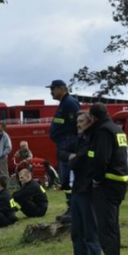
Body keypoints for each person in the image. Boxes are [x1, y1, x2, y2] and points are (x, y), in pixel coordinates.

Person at [88, 103, 128, 255]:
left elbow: (100, 159)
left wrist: (96, 179)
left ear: (94, 118)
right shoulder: (116, 129)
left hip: (106, 185)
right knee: (112, 229)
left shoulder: (103, 131)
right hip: (118, 183)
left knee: (107, 232)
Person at [68, 111, 101, 255]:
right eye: (77, 121)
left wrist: (74, 158)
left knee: (90, 234)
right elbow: (68, 155)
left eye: (81, 121)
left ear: (89, 122)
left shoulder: (91, 141)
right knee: (76, 233)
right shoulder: (79, 140)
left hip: (87, 192)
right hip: (76, 191)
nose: (78, 124)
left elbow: (77, 161)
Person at [48, 79, 80, 223]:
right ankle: (70, 208)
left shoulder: (70, 103)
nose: (51, 92)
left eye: (53, 89)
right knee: (64, 178)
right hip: (63, 144)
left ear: (62, 88)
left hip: (69, 145)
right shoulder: (64, 103)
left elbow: (77, 123)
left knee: (68, 177)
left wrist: (73, 143)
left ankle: (73, 210)